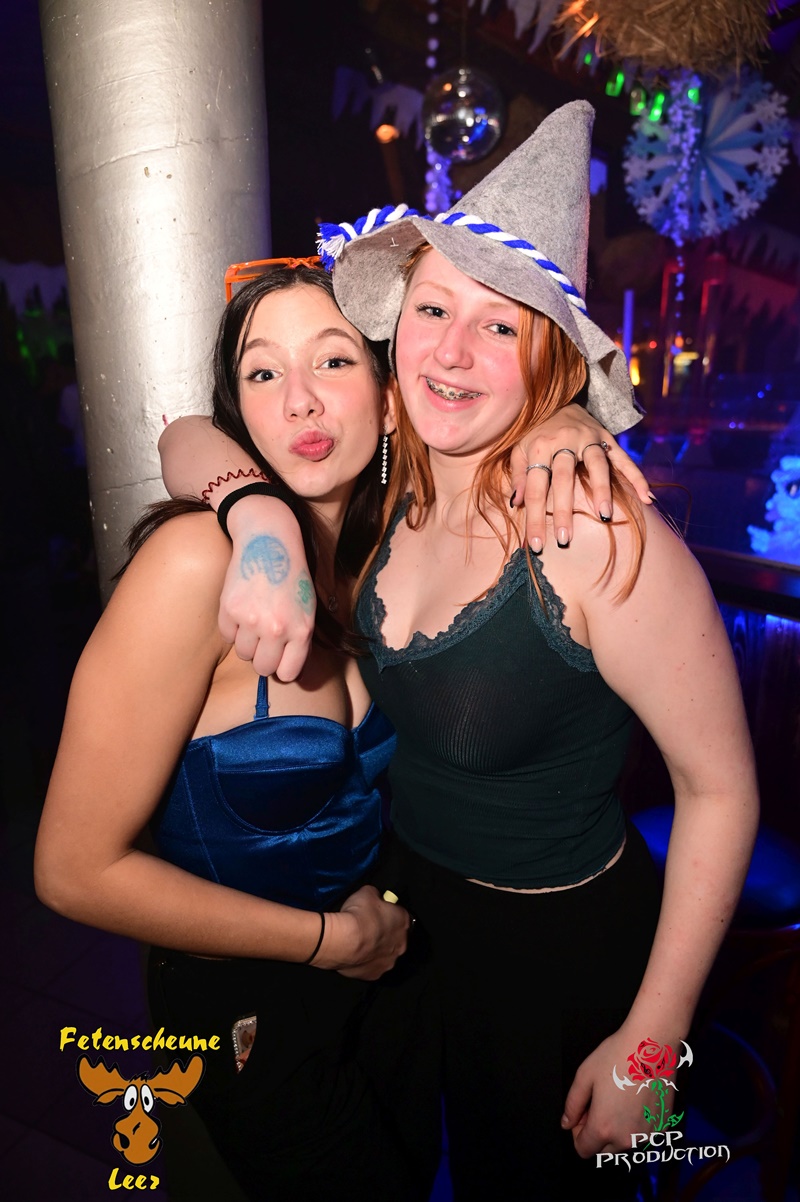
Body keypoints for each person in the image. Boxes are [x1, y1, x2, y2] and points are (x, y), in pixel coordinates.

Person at [167, 102, 759, 1201]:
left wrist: (651, 1045)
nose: (450, 347)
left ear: (548, 360)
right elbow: (187, 432)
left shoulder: (591, 533)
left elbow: (720, 791)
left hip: (557, 950)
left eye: (500, 325)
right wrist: (255, 511)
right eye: (434, 308)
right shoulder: (379, 488)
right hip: (408, 917)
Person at [34, 263, 441, 1202]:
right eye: (263, 373)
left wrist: (570, 434)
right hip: (249, 1009)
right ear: (241, 417)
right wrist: (326, 941)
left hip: (391, 977)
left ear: (387, 399)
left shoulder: (382, 554)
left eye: (333, 361)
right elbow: (70, 870)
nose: (299, 399)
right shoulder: (196, 563)